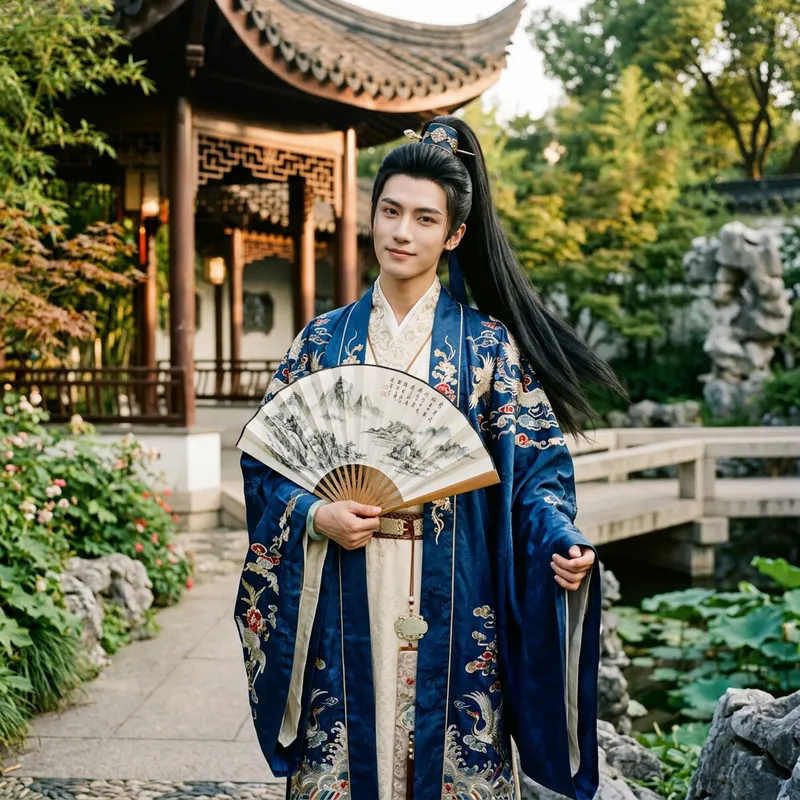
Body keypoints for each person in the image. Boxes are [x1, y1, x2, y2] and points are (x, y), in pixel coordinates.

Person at [234, 117, 622, 800]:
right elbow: (268, 466)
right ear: (372, 214)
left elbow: (537, 476)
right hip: (342, 592)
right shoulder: (321, 344)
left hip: (455, 593)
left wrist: (559, 540)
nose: (401, 232)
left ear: (454, 235)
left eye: (422, 218)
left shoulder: (488, 349)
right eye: (389, 211)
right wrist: (315, 513)